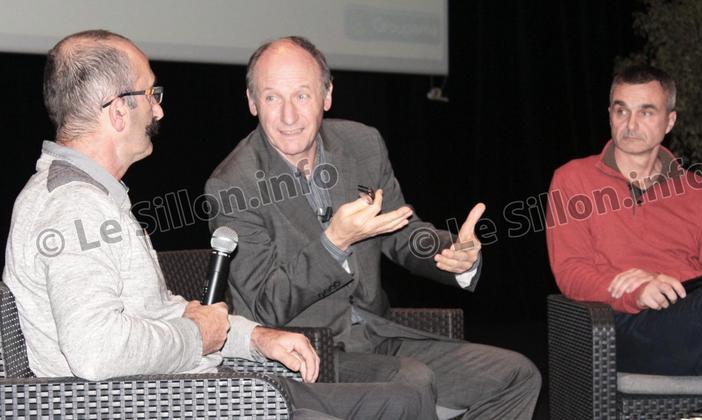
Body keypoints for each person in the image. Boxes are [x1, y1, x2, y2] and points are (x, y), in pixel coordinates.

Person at [2, 29, 426, 420]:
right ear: (117, 112)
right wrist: (195, 335)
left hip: (186, 389)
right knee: (395, 402)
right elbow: (96, 352)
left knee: (404, 398)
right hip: (166, 403)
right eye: (151, 93)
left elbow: (151, 314)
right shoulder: (74, 207)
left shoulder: (91, 195)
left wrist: (256, 337)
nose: (159, 108)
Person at [206, 35, 541, 420]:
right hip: (306, 354)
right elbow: (267, 304)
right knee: (410, 382)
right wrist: (334, 243)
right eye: (271, 98)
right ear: (252, 103)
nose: (288, 116)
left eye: (302, 96)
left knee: (517, 375)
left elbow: (399, 229)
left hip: (377, 334)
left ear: (327, 96)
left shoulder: (362, 144)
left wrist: (449, 253)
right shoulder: (234, 184)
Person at [546, 64, 702, 409]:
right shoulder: (573, 180)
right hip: (616, 328)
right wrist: (636, 291)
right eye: (621, 110)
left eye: (646, 111)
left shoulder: (701, 194)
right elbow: (570, 271)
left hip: (688, 322)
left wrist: (672, 283)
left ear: (670, 122)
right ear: (610, 114)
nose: (631, 124)